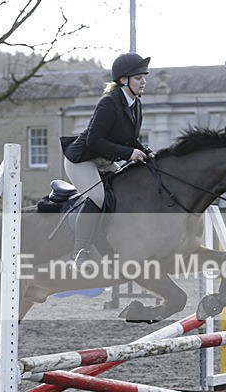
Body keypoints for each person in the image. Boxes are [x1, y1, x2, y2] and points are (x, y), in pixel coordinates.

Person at [61, 52, 154, 267]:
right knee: (99, 197)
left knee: (123, 195)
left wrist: (146, 152)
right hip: (82, 159)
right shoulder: (109, 103)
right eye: (139, 77)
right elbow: (94, 141)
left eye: (144, 77)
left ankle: (114, 245)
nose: (143, 81)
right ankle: (80, 252)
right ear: (124, 80)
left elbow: (130, 139)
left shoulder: (136, 104)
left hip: (103, 160)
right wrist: (128, 154)